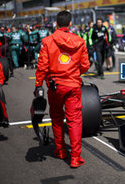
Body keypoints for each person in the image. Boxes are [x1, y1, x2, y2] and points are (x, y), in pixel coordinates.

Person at [35, 10, 90, 168]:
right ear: (70, 24)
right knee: (75, 120)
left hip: (55, 86)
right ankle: (75, 157)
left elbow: (42, 66)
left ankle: (60, 150)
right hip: (72, 85)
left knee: (57, 118)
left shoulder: (47, 40)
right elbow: (85, 65)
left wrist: (38, 84)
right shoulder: (80, 41)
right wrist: (73, 74)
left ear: (56, 24)